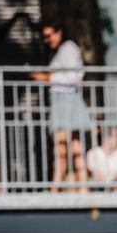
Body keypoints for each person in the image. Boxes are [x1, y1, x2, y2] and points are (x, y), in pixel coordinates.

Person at [31, 20, 91, 192]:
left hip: (65, 101)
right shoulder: (64, 51)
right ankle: (82, 188)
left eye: (49, 36)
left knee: (61, 148)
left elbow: (73, 77)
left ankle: (56, 190)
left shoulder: (68, 48)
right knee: (71, 148)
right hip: (64, 101)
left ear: (59, 32)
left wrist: (47, 78)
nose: (46, 40)